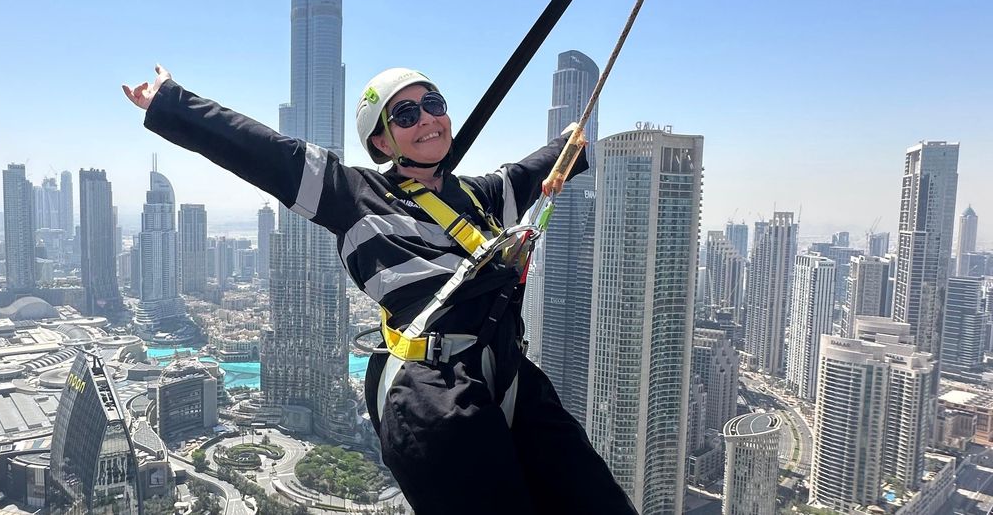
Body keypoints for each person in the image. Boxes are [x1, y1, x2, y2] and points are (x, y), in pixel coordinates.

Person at [124, 64, 635, 514]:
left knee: (597, 499)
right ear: (382, 142)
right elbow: (263, 153)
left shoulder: (481, 196)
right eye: (405, 115)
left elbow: (537, 169)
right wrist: (173, 102)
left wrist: (572, 139)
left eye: (432, 105)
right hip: (434, 395)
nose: (426, 119)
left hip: (507, 369)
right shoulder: (355, 196)